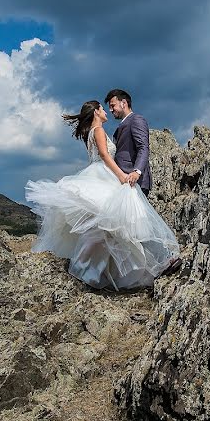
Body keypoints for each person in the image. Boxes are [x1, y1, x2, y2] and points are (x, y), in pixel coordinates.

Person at [25, 99, 181, 290]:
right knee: (123, 220)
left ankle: (93, 269)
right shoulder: (98, 130)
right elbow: (105, 156)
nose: (107, 111)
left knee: (103, 229)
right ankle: (88, 269)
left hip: (97, 174)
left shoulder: (91, 132)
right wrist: (122, 176)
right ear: (96, 112)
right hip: (103, 176)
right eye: (103, 109)